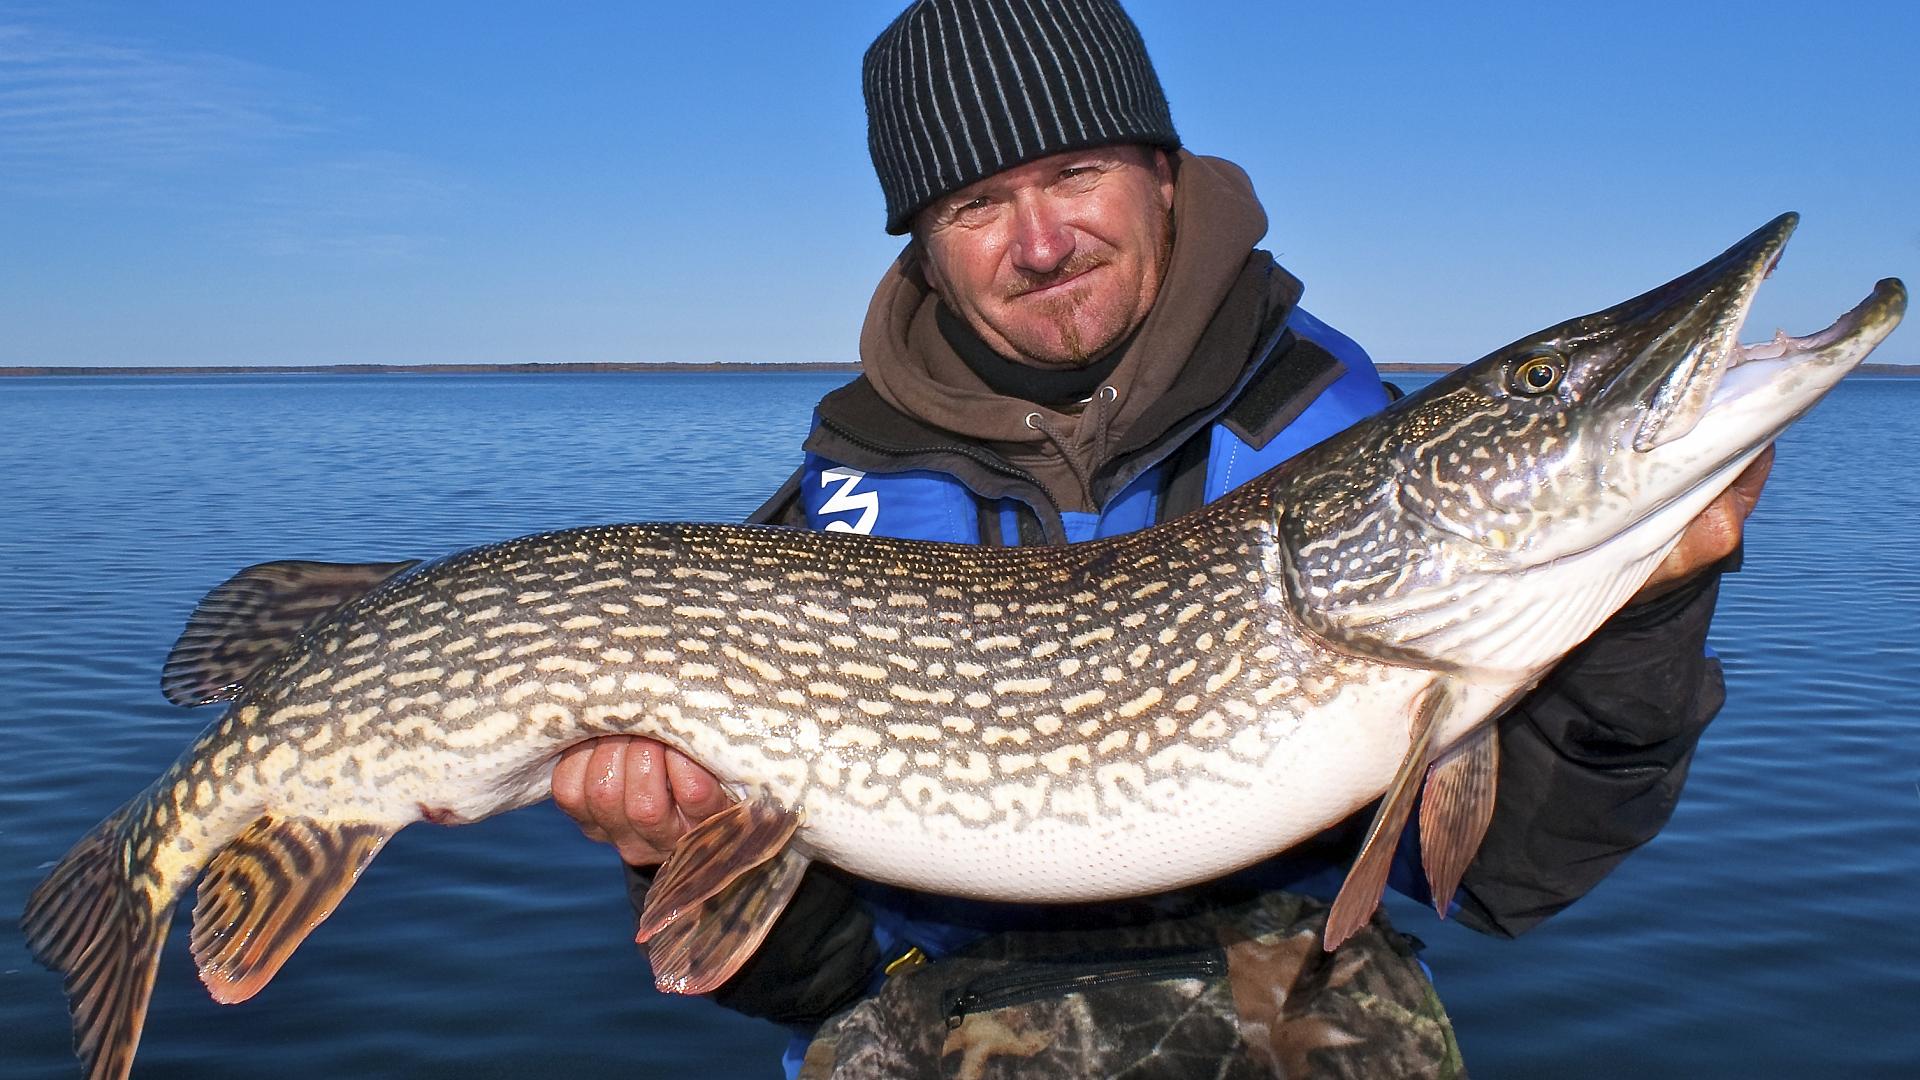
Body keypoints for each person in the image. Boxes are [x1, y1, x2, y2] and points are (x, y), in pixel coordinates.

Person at [553, 0, 1766, 1074]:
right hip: (941, 1023)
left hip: (1299, 1010)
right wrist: (672, 848)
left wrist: (1648, 612)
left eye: (1075, 172)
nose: (1040, 242)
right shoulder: (820, 533)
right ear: (925, 245)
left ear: (1166, 174)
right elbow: (804, 985)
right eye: (978, 202)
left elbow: (1512, 880)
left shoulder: (1346, 458)